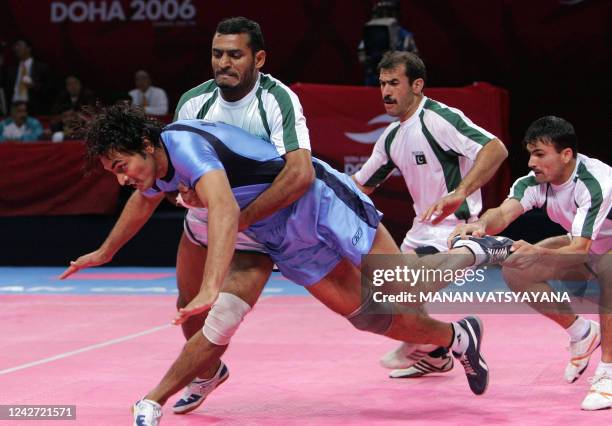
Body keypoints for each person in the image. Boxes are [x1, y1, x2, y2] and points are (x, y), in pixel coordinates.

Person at [73, 106, 513, 425]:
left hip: (315, 202)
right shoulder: (156, 169)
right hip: (279, 234)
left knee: (397, 286)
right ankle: (458, 336)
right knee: (369, 318)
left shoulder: (185, 147)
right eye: (113, 171)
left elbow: (225, 210)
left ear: (147, 146)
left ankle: (478, 251)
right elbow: (143, 200)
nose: (121, 177)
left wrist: (211, 287)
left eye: (121, 166)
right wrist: (105, 251)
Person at [63, 16, 315, 416]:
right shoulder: (194, 101)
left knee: (370, 306)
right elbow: (159, 183)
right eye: (217, 54)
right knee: (190, 304)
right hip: (206, 219)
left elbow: (300, 172)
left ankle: (439, 338)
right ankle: (207, 373)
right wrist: (106, 250)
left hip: (265, 220)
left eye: (235, 54)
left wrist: (243, 218)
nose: (224, 63)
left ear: (259, 58)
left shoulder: (276, 99)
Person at [353, 51, 508, 377]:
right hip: (420, 232)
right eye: (382, 83)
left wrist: (460, 191)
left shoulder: (440, 118)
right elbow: (359, 187)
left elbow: (495, 148)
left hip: (457, 232)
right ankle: (436, 353)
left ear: (417, 85)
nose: (386, 91)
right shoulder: (391, 137)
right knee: (380, 295)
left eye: (394, 83)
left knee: (400, 292)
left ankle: (448, 338)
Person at [451, 116, 611, 410]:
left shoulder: (596, 183)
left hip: (595, 251)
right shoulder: (533, 183)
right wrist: (478, 225)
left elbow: (579, 249)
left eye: (540, 154)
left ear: (566, 155)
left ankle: (609, 375)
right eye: (529, 154)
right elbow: (502, 214)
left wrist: (539, 252)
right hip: (592, 247)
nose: (531, 162)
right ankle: (583, 334)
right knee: (517, 269)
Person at [3, 39, 53, 114]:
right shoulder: (10, 70)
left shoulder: (42, 68)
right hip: (14, 107)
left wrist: (34, 85)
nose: (16, 48)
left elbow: (50, 89)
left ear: (28, 48)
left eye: (19, 45)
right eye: (15, 46)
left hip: (33, 107)